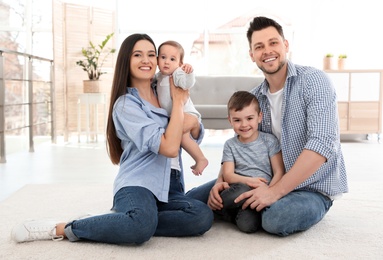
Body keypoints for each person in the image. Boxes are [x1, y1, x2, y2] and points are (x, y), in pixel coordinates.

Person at [11, 33, 213, 244]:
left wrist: (187, 121)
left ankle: (120, 221)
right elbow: (170, 147)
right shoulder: (126, 105)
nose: (146, 60)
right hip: (138, 184)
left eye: (151, 54)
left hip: (171, 185)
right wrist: (180, 105)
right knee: (140, 228)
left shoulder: (163, 89)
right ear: (127, 60)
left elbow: (194, 132)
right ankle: (65, 228)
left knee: (202, 216)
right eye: (137, 55)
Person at [207, 16, 348, 236]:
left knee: (276, 219)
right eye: (259, 46)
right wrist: (219, 180)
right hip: (262, 181)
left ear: (285, 45)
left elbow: (322, 144)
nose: (267, 51)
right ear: (252, 55)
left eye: (273, 43)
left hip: (311, 189)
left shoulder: (314, 81)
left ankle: (244, 211)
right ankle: (242, 209)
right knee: (200, 200)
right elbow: (239, 143)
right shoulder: (255, 98)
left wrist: (274, 192)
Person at [217, 91, 284, 233]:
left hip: (262, 192)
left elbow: (279, 172)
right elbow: (228, 175)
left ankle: (227, 213)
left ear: (259, 117)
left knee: (249, 226)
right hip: (238, 189)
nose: (244, 124)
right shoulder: (230, 145)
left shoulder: (269, 141)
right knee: (241, 189)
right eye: (237, 120)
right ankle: (223, 208)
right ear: (230, 120)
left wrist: (269, 190)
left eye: (249, 118)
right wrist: (250, 181)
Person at [155, 40, 208, 176]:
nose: (167, 62)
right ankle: (200, 158)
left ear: (179, 63)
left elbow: (187, 84)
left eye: (172, 59)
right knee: (181, 135)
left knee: (182, 136)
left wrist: (188, 72)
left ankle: (200, 158)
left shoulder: (177, 74)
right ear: (157, 59)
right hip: (176, 114)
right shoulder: (158, 77)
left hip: (186, 112)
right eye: (163, 57)